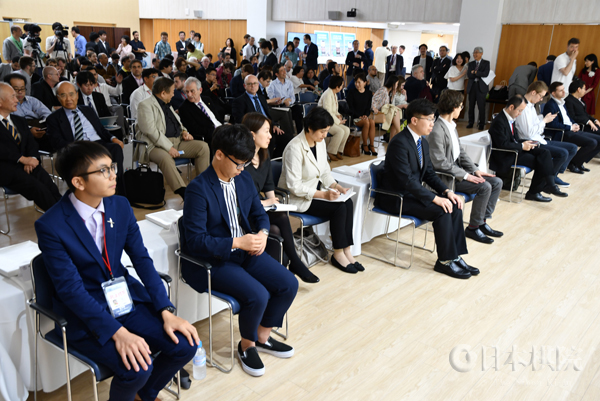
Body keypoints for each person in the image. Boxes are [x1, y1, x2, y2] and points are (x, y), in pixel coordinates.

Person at [35, 141, 198, 400]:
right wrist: (118, 333)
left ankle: (143, 395)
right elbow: (71, 291)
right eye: (104, 171)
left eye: (112, 167)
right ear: (78, 182)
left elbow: (142, 260)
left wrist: (166, 310)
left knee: (186, 345)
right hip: (86, 315)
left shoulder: (119, 206)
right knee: (137, 368)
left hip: (126, 300)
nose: (114, 175)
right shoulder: (51, 225)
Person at [182, 123, 298, 377]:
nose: (242, 169)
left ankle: (261, 336)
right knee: (258, 295)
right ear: (219, 154)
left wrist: (263, 233)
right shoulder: (198, 189)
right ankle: (246, 346)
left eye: (245, 164)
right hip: (215, 260)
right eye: (238, 163)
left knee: (288, 284)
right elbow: (196, 241)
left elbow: (259, 213)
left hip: (246, 250)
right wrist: (237, 242)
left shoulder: (242, 178)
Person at [376, 98, 476, 279]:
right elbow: (406, 181)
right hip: (396, 197)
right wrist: (435, 198)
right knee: (442, 210)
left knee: (454, 204)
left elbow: (429, 174)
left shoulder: (422, 142)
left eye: (433, 119)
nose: (432, 123)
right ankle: (444, 261)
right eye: (429, 119)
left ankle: (455, 256)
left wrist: (447, 192)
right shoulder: (399, 143)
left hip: (413, 194)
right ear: (414, 120)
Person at [279, 106, 361, 274]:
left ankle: (347, 250)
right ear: (310, 128)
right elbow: (294, 186)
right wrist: (323, 194)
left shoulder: (320, 143)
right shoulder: (294, 148)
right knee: (339, 207)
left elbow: (324, 173)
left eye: (327, 131)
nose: (325, 135)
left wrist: (337, 186)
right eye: (322, 131)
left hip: (313, 193)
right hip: (296, 198)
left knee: (347, 202)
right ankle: (338, 254)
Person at [242, 112, 319, 283]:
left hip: (260, 207)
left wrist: (273, 202)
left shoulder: (263, 154)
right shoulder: (241, 161)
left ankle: (279, 272)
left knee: (277, 227)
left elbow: (268, 184)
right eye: (266, 131)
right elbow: (240, 198)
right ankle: (294, 264)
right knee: (279, 223)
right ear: (252, 135)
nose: (270, 136)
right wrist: (264, 202)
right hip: (245, 211)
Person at [428, 90, 503, 244]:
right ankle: (473, 227)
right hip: (446, 177)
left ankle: (482, 221)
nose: (462, 109)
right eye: (461, 106)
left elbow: (460, 153)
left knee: (496, 182)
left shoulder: (451, 126)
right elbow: (440, 162)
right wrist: (467, 175)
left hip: (456, 172)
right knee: (484, 187)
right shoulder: (437, 130)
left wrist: (475, 170)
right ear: (453, 107)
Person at [135, 77, 210, 200]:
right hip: (154, 146)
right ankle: (183, 191)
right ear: (163, 93)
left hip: (177, 141)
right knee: (165, 158)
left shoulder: (167, 104)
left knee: (203, 147)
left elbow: (178, 122)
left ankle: (204, 185)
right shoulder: (145, 105)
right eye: (172, 91)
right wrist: (169, 147)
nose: (174, 94)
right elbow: (151, 131)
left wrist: (184, 132)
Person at [46, 82, 125, 193]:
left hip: (98, 144)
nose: (68, 99)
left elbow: (101, 129)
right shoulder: (53, 118)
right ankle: (95, 192)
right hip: (77, 148)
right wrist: (78, 146)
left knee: (115, 148)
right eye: (63, 95)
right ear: (58, 98)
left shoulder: (87, 110)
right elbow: (57, 142)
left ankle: (117, 190)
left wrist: (113, 138)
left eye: (71, 94)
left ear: (77, 95)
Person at [489, 95, 566, 202]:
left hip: (515, 149)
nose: (520, 113)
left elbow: (514, 139)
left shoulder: (510, 118)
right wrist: (522, 146)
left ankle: (550, 184)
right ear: (511, 107)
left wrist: (526, 142)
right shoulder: (499, 121)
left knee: (544, 152)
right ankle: (536, 191)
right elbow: (502, 144)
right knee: (541, 162)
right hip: (507, 155)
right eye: (519, 110)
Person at [0, 82, 60, 211]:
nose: (17, 100)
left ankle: (66, 213)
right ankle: (59, 217)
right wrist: (22, 159)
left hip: (27, 165)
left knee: (49, 184)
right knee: (37, 188)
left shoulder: (19, 120)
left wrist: (32, 157)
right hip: (6, 169)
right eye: (12, 97)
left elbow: (31, 143)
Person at [515, 81, 577, 188]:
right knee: (562, 153)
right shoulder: (523, 108)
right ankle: (549, 180)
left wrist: (543, 120)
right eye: (541, 96)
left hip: (540, 138)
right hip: (531, 142)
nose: (541, 99)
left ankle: (553, 176)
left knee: (572, 148)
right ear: (533, 92)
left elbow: (537, 129)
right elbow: (528, 133)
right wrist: (544, 121)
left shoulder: (532, 106)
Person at [543, 81, 600, 173]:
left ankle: (578, 162)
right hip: (563, 132)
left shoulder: (562, 103)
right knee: (592, 142)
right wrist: (570, 127)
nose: (564, 92)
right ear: (553, 93)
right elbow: (551, 124)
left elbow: (569, 118)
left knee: (598, 139)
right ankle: (572, 163)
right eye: (561, 90)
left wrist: (575, 124)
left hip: (571, 129)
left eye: (564, 89)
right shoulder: (550, 105)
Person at [232, 74, 289, 158]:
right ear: (244, 86)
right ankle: (266, 161)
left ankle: (274, 159)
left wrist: (274, 125)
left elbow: (268, 115)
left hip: (268, 127)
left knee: (286, 138)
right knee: (271, 139)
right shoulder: (239, 101)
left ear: (258, 85)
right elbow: (240, 120)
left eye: (255, 83)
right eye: (249, 84)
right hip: (255, 129)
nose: (253, 86)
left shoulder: (262, 98)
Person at [5, 73, 52, 151]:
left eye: (22, 88)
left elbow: (47, 114)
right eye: (16, 89)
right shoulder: (5, 105)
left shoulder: (32, 100)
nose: (20, 92)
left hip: (40, 127)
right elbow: (9, 123)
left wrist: (45, 126)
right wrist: (28, 130)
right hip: (20, 132)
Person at [178, 77, 222, 145]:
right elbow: (195, 129)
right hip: (210, 136)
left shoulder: (207, 99)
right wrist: (216, 131)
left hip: (221, 129)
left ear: (200, 90)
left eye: (192, 91)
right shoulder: (184, 108)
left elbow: (217, 117)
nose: (189, 95)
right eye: (187, 91)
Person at [318, 76, 350, 161]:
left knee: (347, 130)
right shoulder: (327, 94)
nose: (342, 87)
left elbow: (334, 111)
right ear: (337, 87)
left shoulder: (334, 93)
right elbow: (328, 112)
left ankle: (338, 151)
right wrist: (338, 122)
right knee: (340, 131)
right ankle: (331, 151)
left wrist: (339, 115)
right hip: (324, 121)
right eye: (341, 85)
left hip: (331, 120)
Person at [267, 63, 303, 134]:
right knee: (287, 113)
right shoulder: (272, 84)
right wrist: (284, 101)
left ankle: (300, 133)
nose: (284, 72)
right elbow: (272, 98)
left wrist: (289, 102)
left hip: (289, 105)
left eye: (284, 69)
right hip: (278, 106)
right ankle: (289, 134)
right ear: (277, 74)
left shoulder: (289, 83)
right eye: (281, 70)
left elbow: (292, 97)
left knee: (298, 109)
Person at [346, 72, 375, 156]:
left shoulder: (368, 93)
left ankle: (371, 145)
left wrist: (365, 115)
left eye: (359, 82)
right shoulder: (351, 92)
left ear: (365, 83)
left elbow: (368, 108)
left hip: (364, 117)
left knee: (372, 122)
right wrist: (360, 116)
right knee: (367, 122)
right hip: (354, 117)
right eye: (356, 82)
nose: (357, 84)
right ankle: (365, 145)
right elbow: (350, 108)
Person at [466, 47, 490, 130]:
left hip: (481, 88)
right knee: (471, 106)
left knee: (481, 106)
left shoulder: (486, 63)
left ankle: (481, 124)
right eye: (474, 52)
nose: (475, 54)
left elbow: (486, 74)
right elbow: (469, 75)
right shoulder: (471, 64)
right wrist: (478, 74)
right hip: (472, 86)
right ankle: (470, 122)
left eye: (476, 52)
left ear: (481, 53)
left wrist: (475, 72)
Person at [372, 75, 402, 140]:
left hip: (384, 112)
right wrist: (374, 108)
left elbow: (392, 106)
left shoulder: (389, 92)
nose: (397, 86)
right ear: (393, 84)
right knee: (396, 112)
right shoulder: (383, 90)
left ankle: (392, 139)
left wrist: (393, 96)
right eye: (396, 84)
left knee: (395, 113)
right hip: (377, 113)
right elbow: (373, 100)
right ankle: (399, 134)